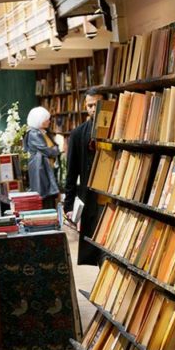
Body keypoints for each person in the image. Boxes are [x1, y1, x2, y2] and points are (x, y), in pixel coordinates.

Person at [64, 89, 104, 266]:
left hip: (112, 194)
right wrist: (68, 204)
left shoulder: (118, 130)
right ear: (85, 107)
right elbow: (71, 172)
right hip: (90, 196)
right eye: (90, 105)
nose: (93, 109)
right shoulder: (78, 134)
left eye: (97, 104)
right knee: (95, 238)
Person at [23, 106, 61, 209]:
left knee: (50, 199)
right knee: (45, 199)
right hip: (41, 170)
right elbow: (48, 151)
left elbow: (53, 149)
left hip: (47, 168)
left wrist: (55, 150)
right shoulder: (34, 133)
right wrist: (56, 150)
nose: (49, 121)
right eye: (46, 119)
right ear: (39, 120)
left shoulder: (43, 132)